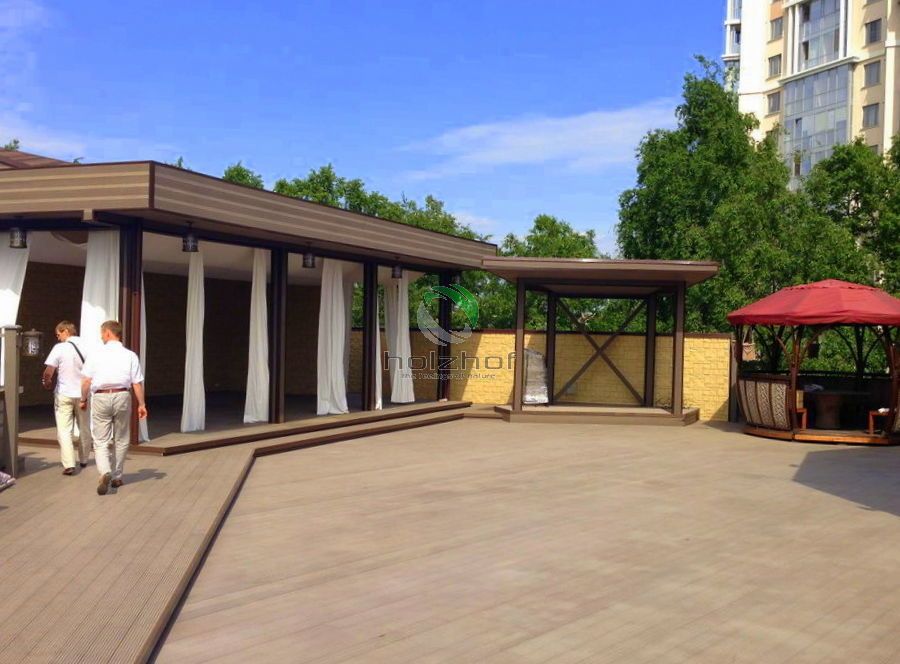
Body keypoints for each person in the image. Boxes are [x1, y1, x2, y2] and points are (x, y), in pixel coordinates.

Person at [80, 320, 148, 496]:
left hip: (101, 396)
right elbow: (137, 383)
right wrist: (142, 404)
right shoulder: (130, 355)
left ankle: (104, 472)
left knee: (100, 440)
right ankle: (117, 476)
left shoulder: (95, 354)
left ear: (108, 333)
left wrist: (83, 399)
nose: (101, 337)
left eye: (102, 333)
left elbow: (86, 381)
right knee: (121, 438)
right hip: (122, 395)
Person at [42, 321, 91, 475]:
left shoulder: (59, 348)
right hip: (83, 394)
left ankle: (69, 464)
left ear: (65, 331)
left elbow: (49, 370)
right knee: (84, 427)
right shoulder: (87, 346)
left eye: (58, 334)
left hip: (63, 393)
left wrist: (46, 381)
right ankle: (84, 459)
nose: (58, 338)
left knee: (64, 430)